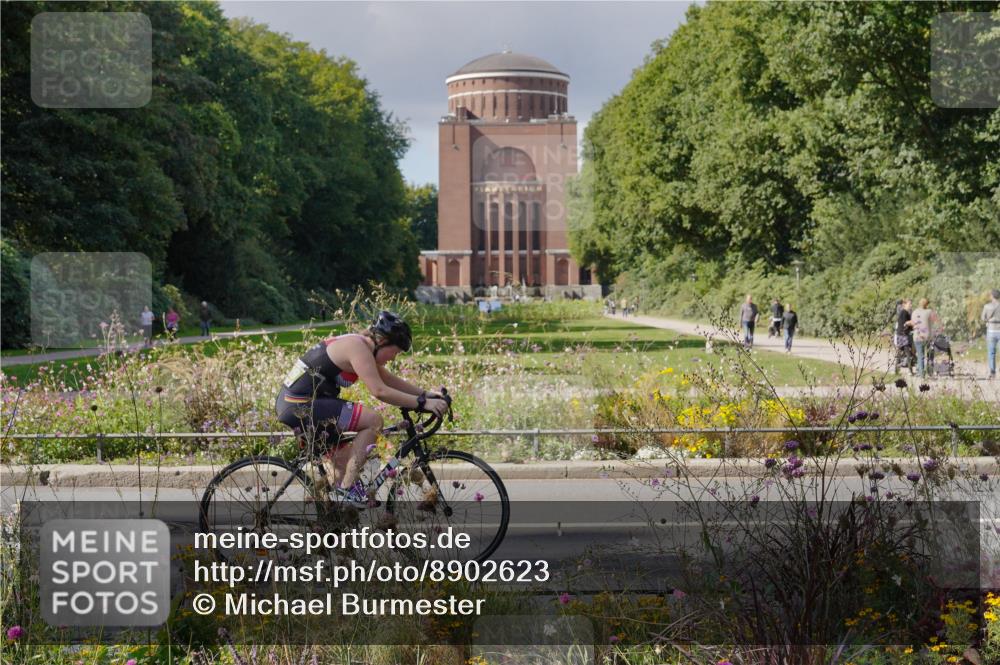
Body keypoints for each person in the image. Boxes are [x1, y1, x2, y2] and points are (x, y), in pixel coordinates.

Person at [274, 311, 448, 508]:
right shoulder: (357, 347)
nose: (394, 358)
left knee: (343, 463)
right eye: (396, 351)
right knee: (374, 420)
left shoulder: (362, 345)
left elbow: (387, 379)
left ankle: (335, 523)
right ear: (382, 341)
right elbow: (379, 390)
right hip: (300, 404)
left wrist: (425, 395)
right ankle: (347, 491)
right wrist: (422, 403)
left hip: (298, 404)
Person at [911, 298, 940, 378]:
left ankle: (921, 375)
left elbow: (913, 324)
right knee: (930, 355)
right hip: (928, 337)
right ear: (927, 304)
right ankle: (930, 372)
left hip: (917, 337)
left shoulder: (914, 312)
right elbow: (936, 321)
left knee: (920, 356)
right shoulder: (929, 312)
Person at [983, 289, 1000, 380]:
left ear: (992, 296)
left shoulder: (987, 306)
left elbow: (983, 318)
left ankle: (993, 373)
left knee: (991, 352)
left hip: (991, 331)